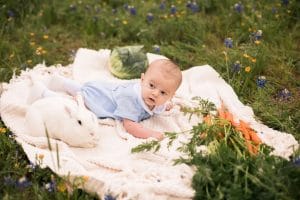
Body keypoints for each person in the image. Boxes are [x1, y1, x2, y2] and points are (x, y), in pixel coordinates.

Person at [29, 59, 182, 140]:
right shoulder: (132, 100)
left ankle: (62, 82)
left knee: (83, 90)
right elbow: (130, 125)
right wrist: (151, 133)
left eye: (163, 93)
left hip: (103, 89)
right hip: (101, 102)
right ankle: (44, 94)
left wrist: (165, 106)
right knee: (76, 105)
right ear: (142, 79)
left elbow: (158, 105)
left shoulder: (154, 99)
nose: (155, 93)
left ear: (170, 96)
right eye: (151, 85)